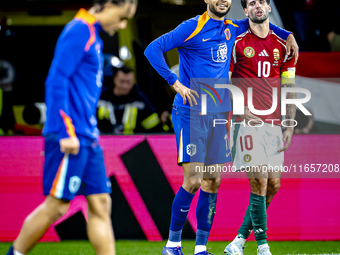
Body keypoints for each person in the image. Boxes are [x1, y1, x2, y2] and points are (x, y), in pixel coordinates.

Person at [144, 0, 298, 254]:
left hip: (217, 115)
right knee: (193, 180)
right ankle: (172, 245)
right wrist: (176, 83)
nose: (223, 0)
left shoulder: (230, 27)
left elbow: (259, 23)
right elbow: (153, 49)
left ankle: (201, 248)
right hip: (191, 112)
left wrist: (288, 35)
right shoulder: (191, 27)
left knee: (212, 182)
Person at [6, 0, 137, 255]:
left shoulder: (94, 36)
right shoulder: (79, 29)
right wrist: (66, 132)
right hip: (70, 135)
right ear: (108, 5)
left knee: (100, 203)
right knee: (56, 206)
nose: (122, 25)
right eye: (122, 17)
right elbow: (56, 79)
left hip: (88, 137)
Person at [224, 0, 296, 254]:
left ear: (268, 7)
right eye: (252, 2)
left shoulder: (283, 46)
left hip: (274, 124)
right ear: (245, 11)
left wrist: (289, 123)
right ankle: (262, 246)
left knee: (274, 185)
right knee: (260, 182)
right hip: (247, 123)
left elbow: (288, 86)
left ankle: (238, 241)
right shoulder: (237, 43)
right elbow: (225, 82)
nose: (258, 6)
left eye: (263, 2)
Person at [97, 65, 167, 134]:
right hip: (102, 141)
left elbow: (154, 128)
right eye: (122, 81)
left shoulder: (140, 100)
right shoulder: (100, 97)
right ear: (114, 79)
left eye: (129, 82)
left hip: (133, 143)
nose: (125, 86)